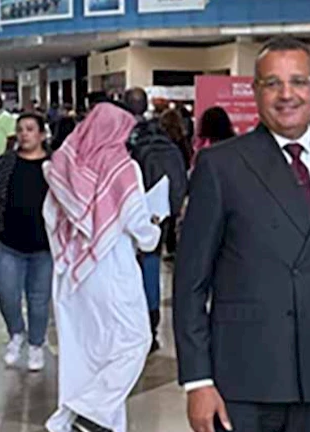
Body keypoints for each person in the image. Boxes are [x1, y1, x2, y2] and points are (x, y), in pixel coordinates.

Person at [174, 36, 310, 432]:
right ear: (255, 91)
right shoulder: (221, 165)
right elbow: (190, 282)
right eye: (272, 83)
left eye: (298, 82)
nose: (287, 95)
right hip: (243, 378)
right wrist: (198, 380)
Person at [43, 102, 161, 432]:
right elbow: (136, 221)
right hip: (111, 263)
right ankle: (90, 412)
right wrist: (153, 231)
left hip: (72, 270)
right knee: (135, 340)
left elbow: (50, 215)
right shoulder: (122, 167)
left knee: (83, 349)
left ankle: (83, 421)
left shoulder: (62, 163)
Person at [0, 113, 52, 372]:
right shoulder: (4, 164)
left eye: (30, 129)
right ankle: (16, 332)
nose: (24, 134)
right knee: (6, 293)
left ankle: (36, 344)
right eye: (20, 129)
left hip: (44, 246)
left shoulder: (54, 166)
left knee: (39, 299)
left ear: (42, 134)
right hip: (9, 243)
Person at [123, 88, 188, 355]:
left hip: (130, 212)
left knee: (127, 268)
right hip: (160, 213)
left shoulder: (125, 137)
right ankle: (151, 326)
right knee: (152, 264)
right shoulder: (165, 140)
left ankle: (130, 325)